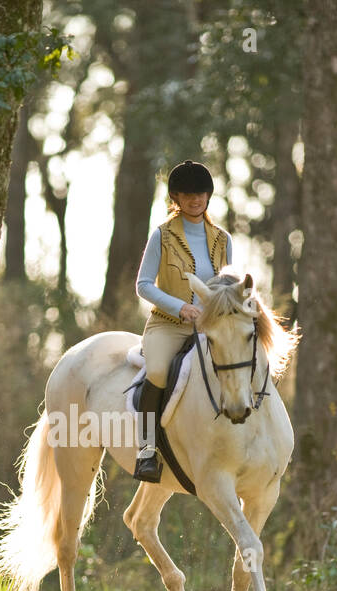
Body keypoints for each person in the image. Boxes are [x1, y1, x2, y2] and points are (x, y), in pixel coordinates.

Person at [132, 159, 234, 482]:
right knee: (159, 370)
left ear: (209, 195)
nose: (196, 199)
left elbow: (226, 286)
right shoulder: (161, 236)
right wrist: (180, 308)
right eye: (188, 194)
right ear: (176, 198)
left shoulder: (223, 239)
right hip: (167, 324)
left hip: (210, 326)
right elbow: (143, 284)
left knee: (241, 362)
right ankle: (147, 450)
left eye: (201, 193)